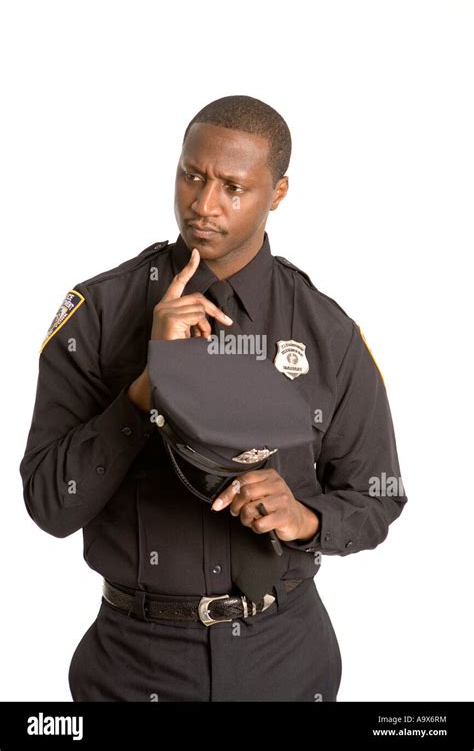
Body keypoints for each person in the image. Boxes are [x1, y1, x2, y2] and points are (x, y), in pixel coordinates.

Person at [19, 95, 407, 702]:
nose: (203, 204)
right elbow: (48, 504)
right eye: (192, 175)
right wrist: (149, 384)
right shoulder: (98, 314)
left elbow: (378, 497)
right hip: (133, 665)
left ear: (277, 193)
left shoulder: (328, 333)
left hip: (287, 660)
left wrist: (304, 519)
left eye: (233, 187)